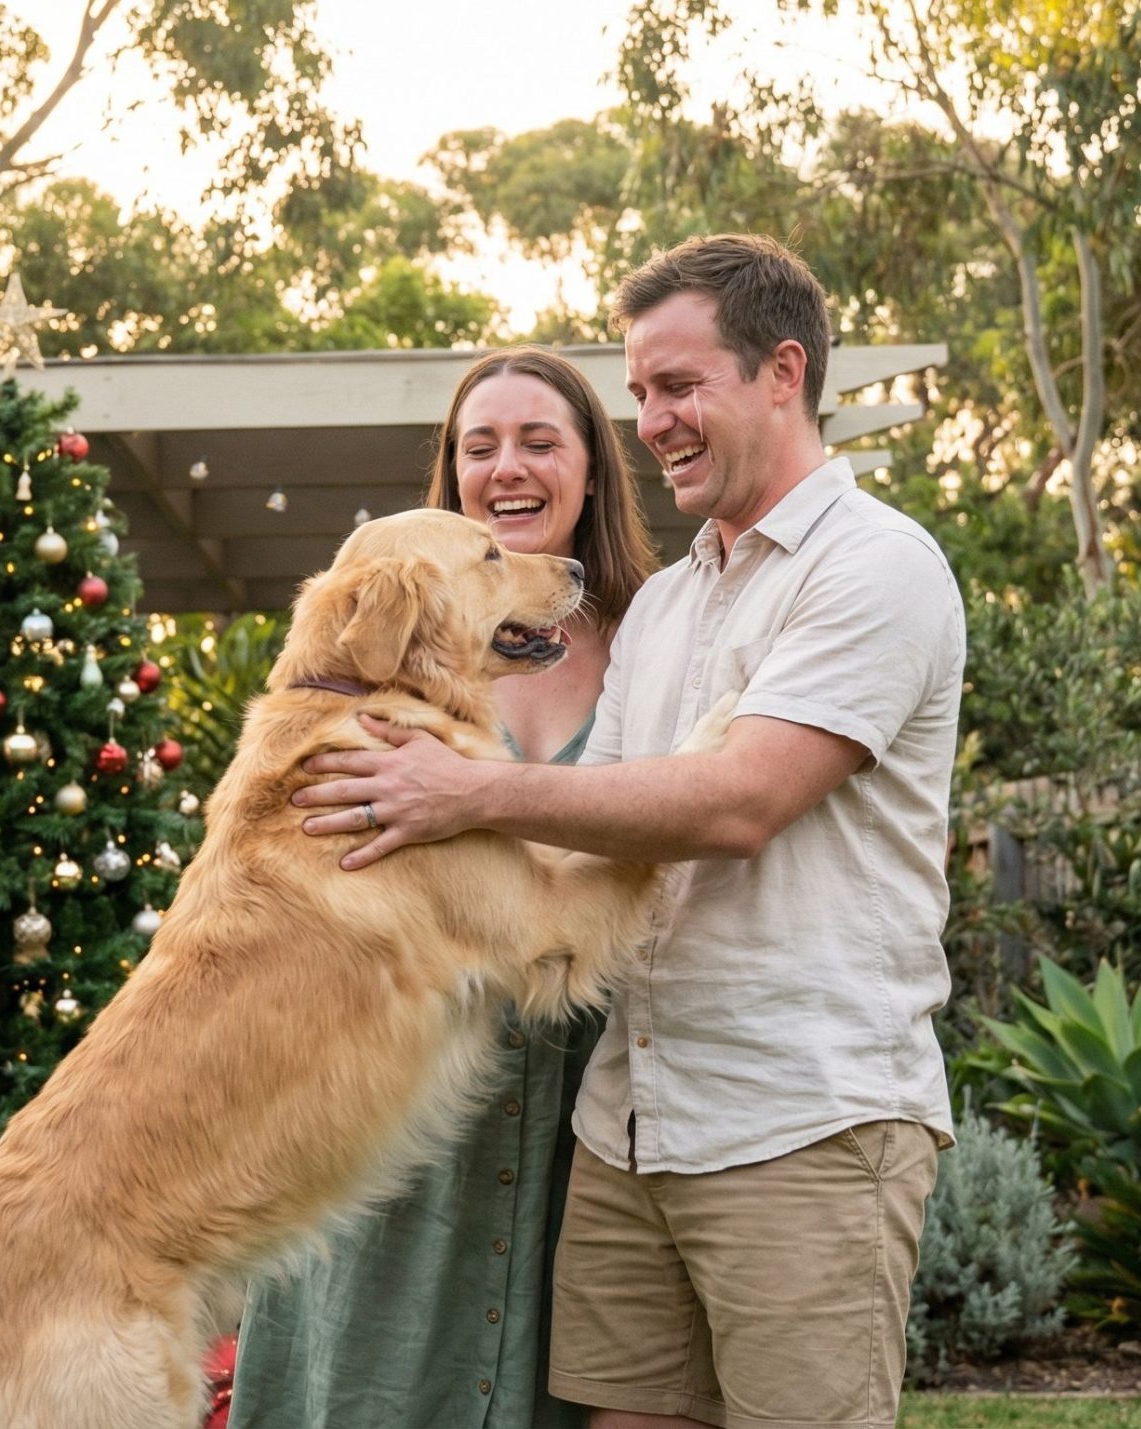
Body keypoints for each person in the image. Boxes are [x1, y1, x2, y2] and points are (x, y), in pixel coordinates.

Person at [290, 234, 965, 1429]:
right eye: (640, 393)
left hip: (797, 1121)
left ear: (782, 372)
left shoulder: (874, 570)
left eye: (677, 385)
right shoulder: (668, 604)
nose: (651, 421)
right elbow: (581, 833)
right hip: (631, 1124)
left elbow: (739, 801)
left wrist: (466, 793)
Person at [230, 346, 660, 1429]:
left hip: (591, 1116)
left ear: (594, 470)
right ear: (452, 473)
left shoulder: (661, 641)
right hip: (397, 1110)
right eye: (479, 447)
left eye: (538, 441)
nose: (506, 468)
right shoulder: (381, 655)